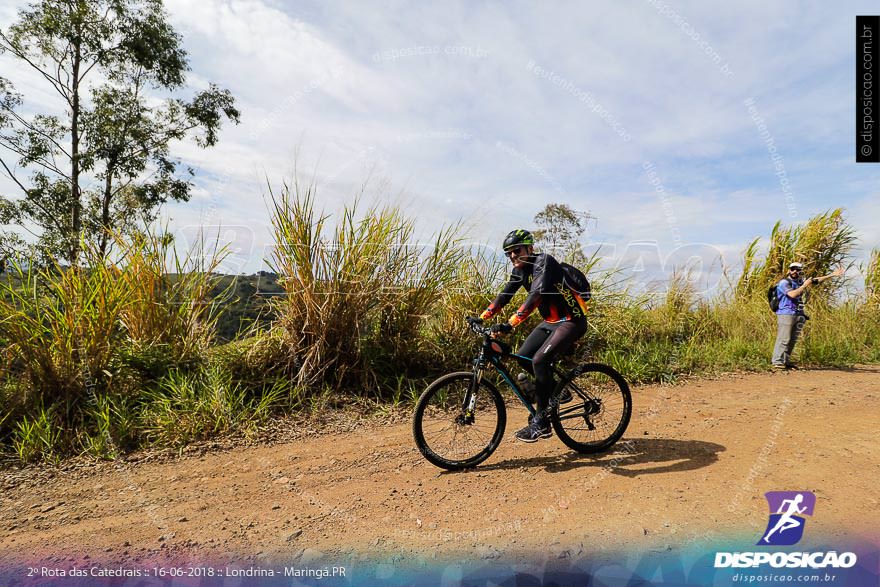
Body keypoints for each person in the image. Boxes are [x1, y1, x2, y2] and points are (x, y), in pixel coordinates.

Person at [478, 229, 589, 442]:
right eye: (508, 253)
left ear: (530, 248)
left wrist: (511, 323)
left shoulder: (543, 263)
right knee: (524, 356)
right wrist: (482, 317)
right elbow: (505, 295)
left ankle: (542, 424)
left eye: (516, 250)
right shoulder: (520, 270)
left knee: (539, 360)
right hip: (551, 322)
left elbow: (536, 295)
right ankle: (559, 391)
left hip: (571, 321)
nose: (512, 256)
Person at [772, 262, 844, 369]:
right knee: (784, 338)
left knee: (792, 339)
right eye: (793, 269)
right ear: (789, 270)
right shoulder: (784, 282)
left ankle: (785, 361)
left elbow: (816, 280)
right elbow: (792, 294)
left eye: (797, 269)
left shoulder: (800, 281)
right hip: (785, 313)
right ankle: (777, 361)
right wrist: (805, 285)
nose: (795, 271)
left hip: (797, 313)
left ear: (801, 271)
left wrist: (832, 275)